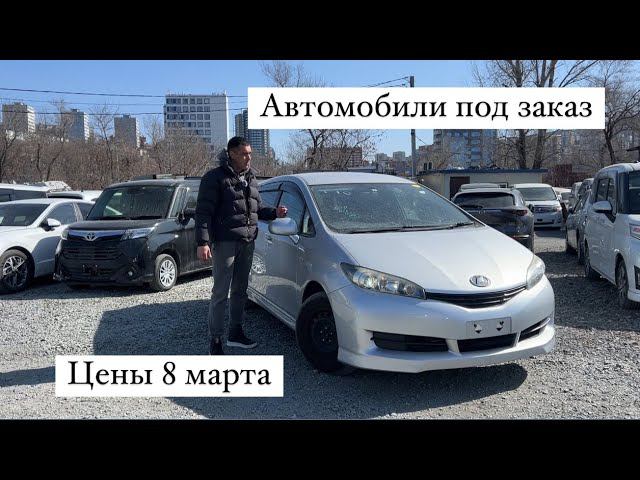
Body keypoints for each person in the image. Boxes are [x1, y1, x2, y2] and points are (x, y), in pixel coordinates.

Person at [195, 137, 287, 355]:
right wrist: (203, 242)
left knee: (240, 291)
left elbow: (257, 208)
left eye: (250, 153)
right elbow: (203, 212)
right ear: (232, 154)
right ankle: (216, 340)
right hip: (225, 242)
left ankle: (235, 333)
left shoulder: (251, 178)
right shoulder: (214, 178)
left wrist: (274, 213)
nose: (248, 157)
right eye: (244, 153)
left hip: (247, 241)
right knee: (220, 292)